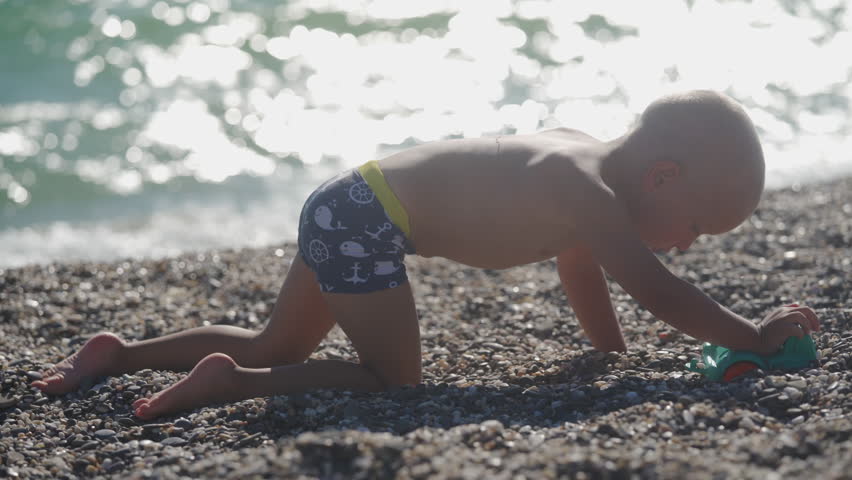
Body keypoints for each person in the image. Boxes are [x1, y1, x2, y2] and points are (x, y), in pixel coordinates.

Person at [31, 90, 820, 419]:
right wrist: (753, 336)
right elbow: (662, 290)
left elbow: (583, 267)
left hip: (347, 199)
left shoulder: (580, 162)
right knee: (394, 383)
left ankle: (119, 353)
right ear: (662, 177)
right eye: (696, 228)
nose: (685, 244)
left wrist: (607, 358)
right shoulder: (591, 194)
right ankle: (234, 385)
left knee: (280, 336)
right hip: (370, 226)